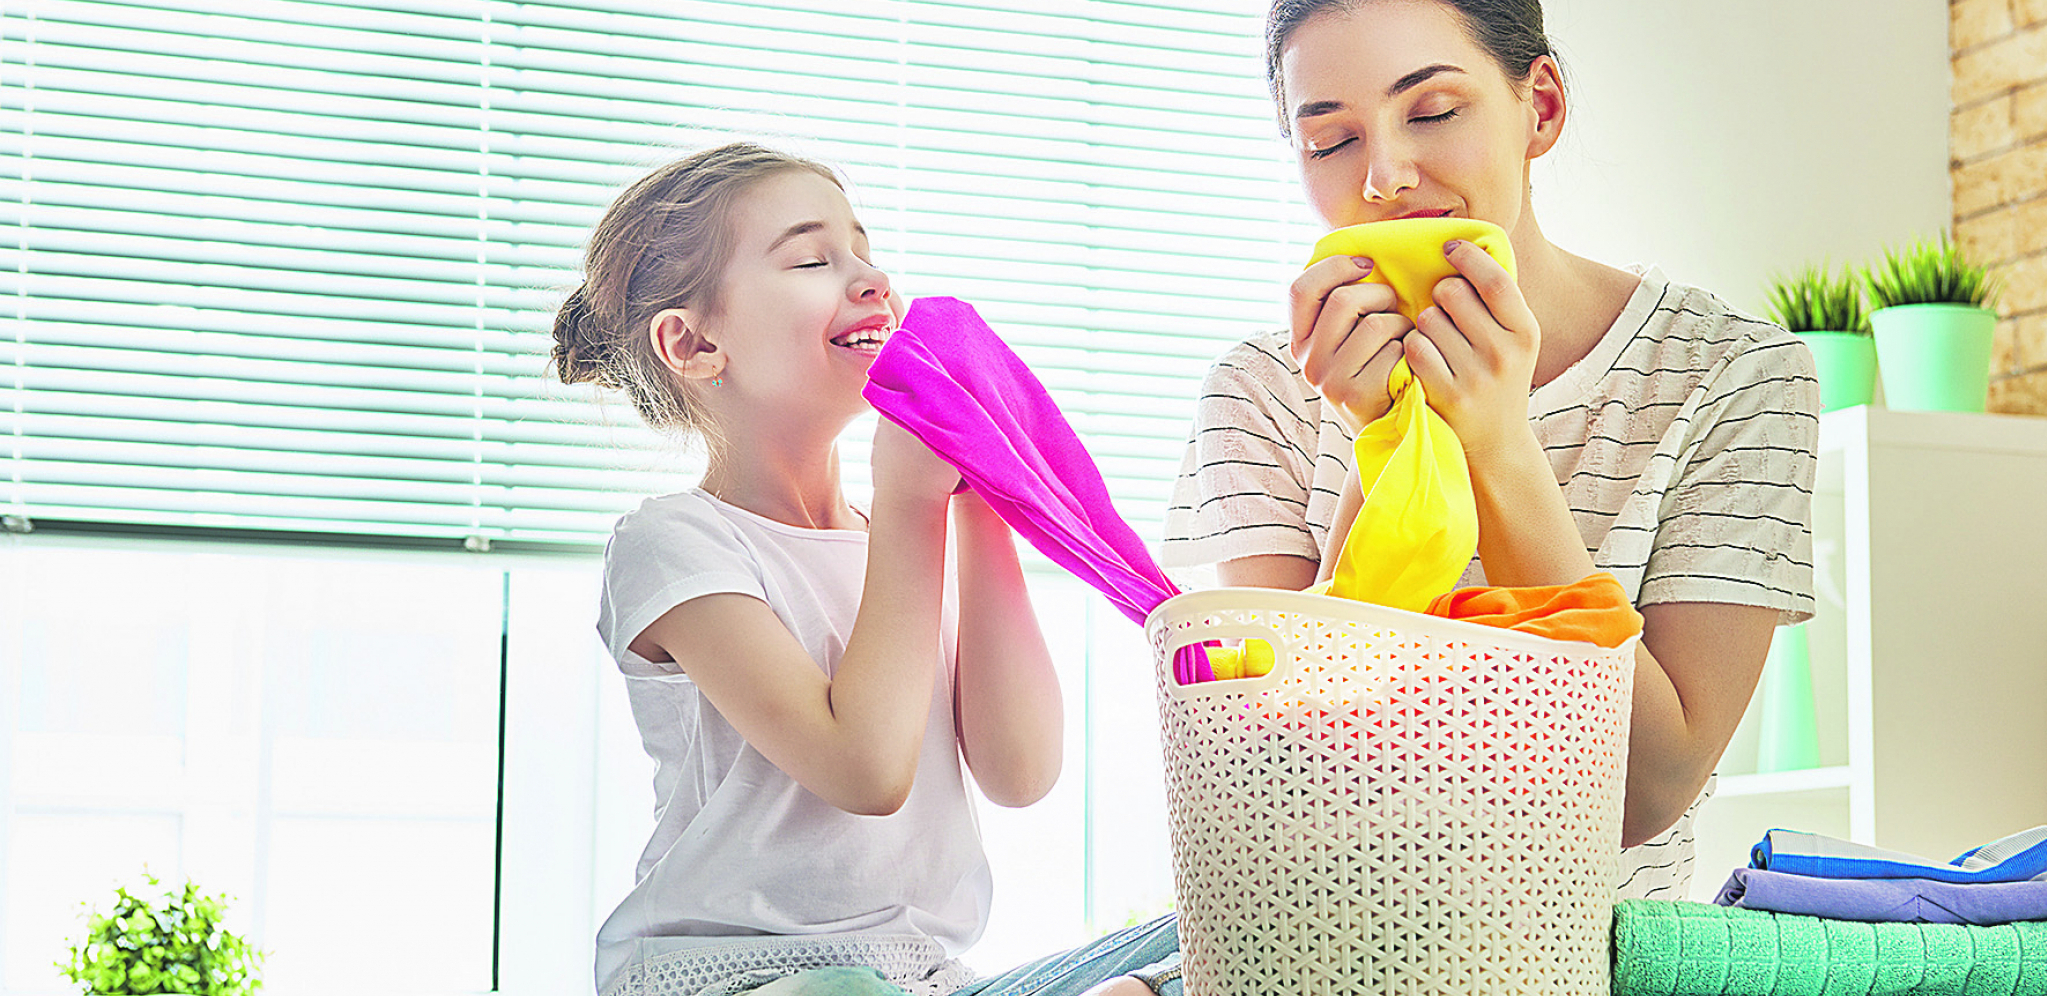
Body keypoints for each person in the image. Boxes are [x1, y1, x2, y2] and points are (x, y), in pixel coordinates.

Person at [1163, 0, 1821, 902]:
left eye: (1432, 111)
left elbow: (1647, 789)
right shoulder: (1263, 388)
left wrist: (1497, 444)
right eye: (1329, 141)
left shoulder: (1733, 373)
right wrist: (1382, 443)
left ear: (1539, 109)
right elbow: (1271, 778)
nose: (1385, 177)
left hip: (1585, 949)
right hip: (1312, 930)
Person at [555, 142, 1179, 996]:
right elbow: (866, 770)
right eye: (813, 259)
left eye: (864, 251)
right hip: (735, 979)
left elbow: (1019, 770)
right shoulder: (676, 544)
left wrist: (976, 497)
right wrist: (914, 504)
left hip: (920, 977)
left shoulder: (898, 537)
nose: (870, 279)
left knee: (1220, 938)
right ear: (694, 343)